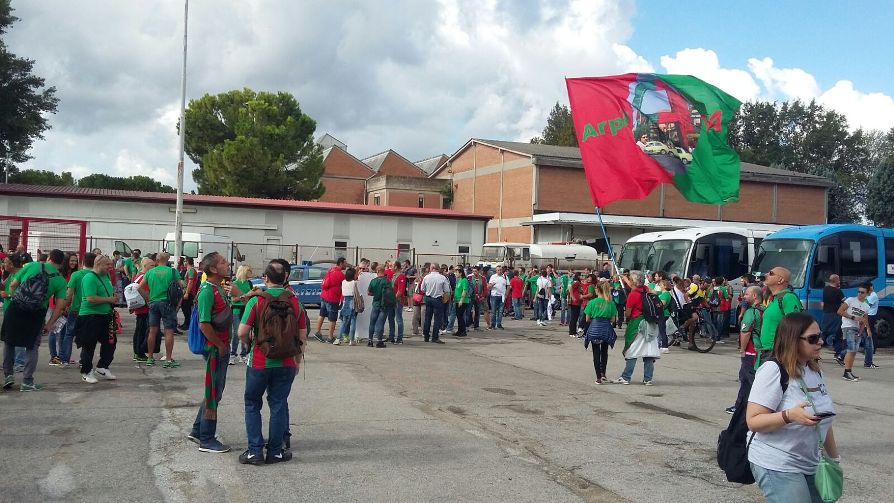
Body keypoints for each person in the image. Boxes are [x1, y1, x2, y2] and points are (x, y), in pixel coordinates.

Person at [746, 312, 838, 502]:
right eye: (813, 339)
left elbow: (825, 421)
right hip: (777, 461)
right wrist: (788, 416)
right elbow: (753, 421)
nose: (820, 342)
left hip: (811, 463)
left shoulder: (813, 370)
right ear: (792, 340)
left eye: (820, 336)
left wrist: (834, 459)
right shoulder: (773, 370)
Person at [237, 260, 307, 465]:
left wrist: (249, 343)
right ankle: (276, 451)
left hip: (259, 361)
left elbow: (241, 332)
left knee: (252, 404)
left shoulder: (256, 301)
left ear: (265, 278)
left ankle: (255, 451)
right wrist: (296, 361)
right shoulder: (295, 301)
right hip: (285, 362)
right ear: (285, 278)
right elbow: (302, 336)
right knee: (277, 405)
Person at [2, 249, 69, 391]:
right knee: (32, 347)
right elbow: (60, 306)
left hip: (16, 308)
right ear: (61, 263)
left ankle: (8, 375)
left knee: (10, 342)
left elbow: (13, 284)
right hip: (36, 313)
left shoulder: (32, 266)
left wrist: (16, 297)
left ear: (49, 257)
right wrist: (49, 324)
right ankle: (27, 381)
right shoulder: (60, 280)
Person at [188, 252, 233, 454]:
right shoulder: (207, 291)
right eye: (223, 262)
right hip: (215, 349)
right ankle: (207, 439)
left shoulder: (218, 288)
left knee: (214, 391)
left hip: (220, 348)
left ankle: (198, 430)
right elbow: (204, 324)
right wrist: (220, 345)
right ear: (213, 269)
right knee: (213, 392)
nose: (227, 264)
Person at [77, 255, 119, 383]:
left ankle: (102, 366)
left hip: (105, 315)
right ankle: (86, 371)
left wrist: (111, 297)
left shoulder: (105, 276)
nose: (110, 267)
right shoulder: (89, 277)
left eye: (110, 265)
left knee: (110, 342)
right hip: (90, 316)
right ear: (98, 264)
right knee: (89, 345)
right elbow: (90, 298)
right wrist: (109, 299)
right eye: (107, 265)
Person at [614, 270, 659, 385]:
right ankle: (648, 379)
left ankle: (626, 377)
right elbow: (634, 285)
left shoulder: (633, 295)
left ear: (633, 281)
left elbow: (628, 314)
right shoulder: (647, 290)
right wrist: (625, 279)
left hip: (637, 324)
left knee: (632, 351)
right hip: (651, 323)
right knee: (648, 353)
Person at [726, 285, 763, 414]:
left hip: (751, 351)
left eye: (747, 294)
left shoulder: (751, 312)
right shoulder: (763, 310)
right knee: (745, 378)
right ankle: (740, 405)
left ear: (755, 296)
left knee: (751, 379)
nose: (744, 297)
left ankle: (756, 407)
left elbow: (746, 332)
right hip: (758, 351)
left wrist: (742, 349)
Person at [758, 267, 801, 367]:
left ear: (780, 280)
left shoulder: (788, 298)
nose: (766, 275)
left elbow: (795, 326)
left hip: (778, 353)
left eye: (771, 273)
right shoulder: (774, 299)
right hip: (768, 351)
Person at [583, 280, 617, 384]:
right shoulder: (611, 303)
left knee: (596, 353)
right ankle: (603, 373)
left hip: (595, 328)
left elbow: (587, 319)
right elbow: (613, 320)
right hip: (606, 328)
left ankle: (598, 377)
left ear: (597, 290)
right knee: (604, 352)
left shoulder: (592, 302)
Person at [48, 252, 79, 366]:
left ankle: (62, 356)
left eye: (75, 261)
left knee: (64, 332)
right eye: (72, 260)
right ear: (66, 261)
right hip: (56, 305)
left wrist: (67, 306)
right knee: (54, 330)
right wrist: (61, 306)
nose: (74, 263)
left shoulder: (75, 273)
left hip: (68, 306)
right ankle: (53, 356)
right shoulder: (60, 273)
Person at [837, 282, 870, 382]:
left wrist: (860, 333)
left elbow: (864, 321)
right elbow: (840, 311)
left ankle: (848, 371)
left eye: (862, 292)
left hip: (856, 329)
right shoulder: (851, 300)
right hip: (848, 326)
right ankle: (847, 372)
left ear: (867, 294)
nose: (860, 294)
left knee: (854, 351)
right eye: (858, 292)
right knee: (851, 349)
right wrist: (853, 317)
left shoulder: (866, 306)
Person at [315, 257, 346, 343]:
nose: (346, 265)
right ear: (341, 263)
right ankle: (330, 337)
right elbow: (346, 282)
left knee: (322, 314)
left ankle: (317, 332)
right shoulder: (340, 274)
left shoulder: (330, 270)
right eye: (345, 263)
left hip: (324, 295)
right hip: (333, 298)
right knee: (332, 318)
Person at [130, 257, 155, 363]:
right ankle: (139, 352)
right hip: (142, 308)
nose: (154, 267)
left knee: (140, 330)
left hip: (140, 307)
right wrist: (149, 300)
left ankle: (137, 352)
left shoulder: (139, 275)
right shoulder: (143, 276)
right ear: (145, 266)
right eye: (152, 266)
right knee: (141, 330)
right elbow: (141, 290)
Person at [229, 265, 254, 363]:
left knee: (246, 333)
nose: (251, 274)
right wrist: (245, 295)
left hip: (246, 309)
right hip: (236, 310)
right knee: (236, 333)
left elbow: (251, 299)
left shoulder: (249, 283)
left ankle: (244, 354)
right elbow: (233, 300)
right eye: (249, 271)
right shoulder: (235, 283)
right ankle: (232, 354)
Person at [420, 263, 450, 344]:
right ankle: (435, 337)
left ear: (432, 268)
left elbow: (422, 289)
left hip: (429, 298)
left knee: (427, 318)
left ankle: (426, 336)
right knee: (437, 319)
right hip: (438, 299)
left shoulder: (426, 277)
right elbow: (447, 290)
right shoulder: (442, 278)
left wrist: (428, 290)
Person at [819, 274, 845, 366]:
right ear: (836, 281)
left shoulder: (825, 289)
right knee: (838, 335)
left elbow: (822, 303)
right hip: (835, 315)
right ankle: (838, 354)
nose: (840, 282)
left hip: (826, 314)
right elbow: (844, 303)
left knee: (823, 334)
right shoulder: (838, 291)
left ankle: (815, 353)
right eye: (839, 280)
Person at [367, 265, 394, 348]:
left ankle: (370, 341)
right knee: (380, 323)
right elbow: (391, 292)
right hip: (384, 305)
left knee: (372, 322)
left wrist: (375, 294)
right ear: (383, 271)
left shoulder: (373, 281)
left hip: (375, 304)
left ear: (377, 271)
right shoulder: (387, 281)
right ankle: (379, 341)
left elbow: (369, 292)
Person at [338, 267, 359, 345]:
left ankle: (338, 339)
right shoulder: (354, 283)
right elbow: (356, 293)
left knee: (344, 322)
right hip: (352, 302)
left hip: (345, 302)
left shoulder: (343, 282)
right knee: (353, 321)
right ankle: (352, 340)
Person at [388, 262, 406, 343]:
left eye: (391, 266)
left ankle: (400, 337)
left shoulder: (401, 276)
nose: (390, 268)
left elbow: (400, 291)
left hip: (397, 301)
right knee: (391, 318)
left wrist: (394, 299)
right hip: (392, 300)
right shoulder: (394, 276)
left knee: (398, 319)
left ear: (396, 267)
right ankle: (391, 336)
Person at [862, 283, 879, 369]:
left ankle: (870, 353)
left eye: (871, 286)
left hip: (870, 317)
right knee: (867, 336)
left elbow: (866, 304)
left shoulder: (873, 295)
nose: (870, 288)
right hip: (867, 316)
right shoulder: (868, 295)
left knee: (868, 335)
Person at [179, 257, 199, 331]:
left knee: (186, 308)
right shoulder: (189, 270)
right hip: (187, 291)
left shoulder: (191, 270)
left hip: (189, 292)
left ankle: (187, 324)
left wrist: (187, 293)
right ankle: (186, 323)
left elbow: (190, 282)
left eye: (185, 261)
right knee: (185, 308)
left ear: (188, 262)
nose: (184, 263)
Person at [487, 265, 507, 330]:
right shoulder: (493, 277)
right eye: (498, 270)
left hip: (502, 296)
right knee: (493, 311)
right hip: (494, 296)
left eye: (500, 270)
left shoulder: (505, 277)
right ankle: (493, 325)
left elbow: (509, 286)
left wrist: (506, 294)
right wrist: (492, 285)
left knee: (500, 312)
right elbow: (488, 286)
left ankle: (499, 324)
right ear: (496, 271)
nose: (499, 271)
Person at [453, 268, 469, 337]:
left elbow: (464, 290)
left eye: (457, 272)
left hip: (462, 301)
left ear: (461, 273)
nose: (456, 274)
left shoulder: (464, 280)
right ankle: (459, 330)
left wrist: (461, 300)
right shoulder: (458, 280)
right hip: (457, 300)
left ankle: (463, 331)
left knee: (460, 316)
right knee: (458, 316)